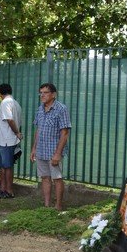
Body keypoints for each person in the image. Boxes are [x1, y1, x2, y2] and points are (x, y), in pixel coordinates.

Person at [30, 83, 71, 211]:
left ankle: (58, 206)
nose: (42, 95)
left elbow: (65, 133)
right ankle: (47, 206)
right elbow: (38, 130)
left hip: (53, 150)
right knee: (44, 178)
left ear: (53, 94)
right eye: (41, 92)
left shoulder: (61, 109)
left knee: (57, 178)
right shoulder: (40, 109)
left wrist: (58, 154)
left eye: (45, 92)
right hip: (41, 150)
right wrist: (34, 148)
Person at [0, 83, 22, 199]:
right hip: (5, 140)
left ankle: (9, 191)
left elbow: (10, 120)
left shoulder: (5, 102)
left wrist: (16, 132)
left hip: (6, 140)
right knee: (3, 166)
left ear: (0, 94)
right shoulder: (16, 103)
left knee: (7, 166)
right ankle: (3, 189)